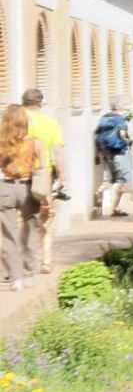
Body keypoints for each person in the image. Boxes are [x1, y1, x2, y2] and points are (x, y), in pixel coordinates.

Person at [1, 103, 48, 291]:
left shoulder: (2, 142)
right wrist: (47, 195)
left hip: (6, 188)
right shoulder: (35, 142)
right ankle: (30, 273)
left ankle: (16, 278)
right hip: (29, 188)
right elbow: (44, 169)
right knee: (31, 230)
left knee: (8, 234)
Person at [21, 89, 64, 273]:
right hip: (45, 177)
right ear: (41, 103)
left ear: (23, 103)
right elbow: (58, 152)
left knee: (21, 219)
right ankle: (45, 260)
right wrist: (63, 177)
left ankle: (22, 260)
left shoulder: (15, 122)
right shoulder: (50, 123)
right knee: (46, 218)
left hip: (20, 175)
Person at [94, 99, 133, 218]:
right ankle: (114, 208)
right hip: (119, 152)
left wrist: (97, 154)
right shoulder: (120, 119)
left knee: (110, 179)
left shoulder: (103, 118)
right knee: (120, 180)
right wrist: (130, 142)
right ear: (120, 108)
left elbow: (97, 136)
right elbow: (122, 135)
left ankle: (99, 191)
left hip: (106, 153)